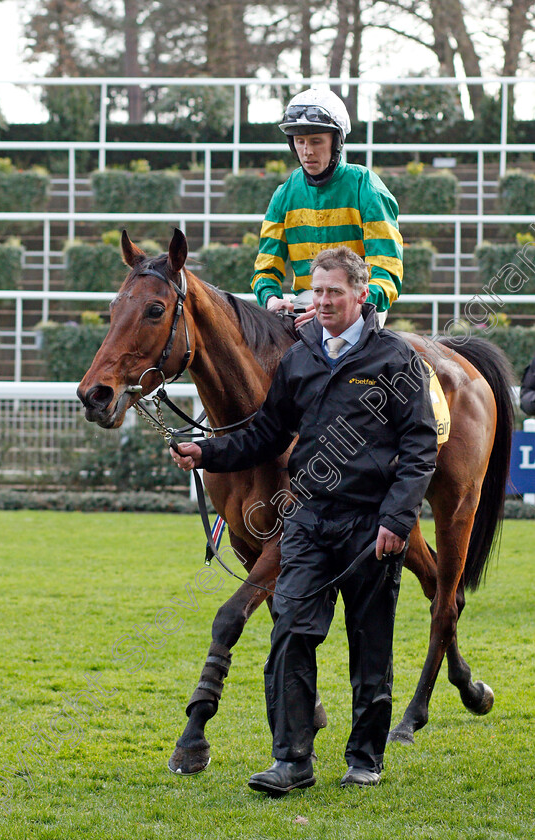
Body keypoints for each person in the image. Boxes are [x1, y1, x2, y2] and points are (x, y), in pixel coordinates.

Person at [172, 247, 437, 794]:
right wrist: (209, 453)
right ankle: (292, 761)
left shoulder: (395, 360)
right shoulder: (301, 356)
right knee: (290, 634)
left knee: (370, 649)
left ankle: (364, 758)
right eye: (316, 292)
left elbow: (419, 447)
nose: (323, 302)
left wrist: (397, 518)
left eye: (334, 292)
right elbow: (267, 434)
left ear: (361, 295)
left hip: (371, 527)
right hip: (309, 522)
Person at [250, 88, 403, 328]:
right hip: (302, 308)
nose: (307, 151)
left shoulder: (367, 187)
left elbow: (387, 270)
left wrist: (354, 303)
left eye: (316, 141)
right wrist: (271, 299)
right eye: (300, 142)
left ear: (337, 142)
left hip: (357, 309)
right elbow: (266, 268)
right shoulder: (284, 194)